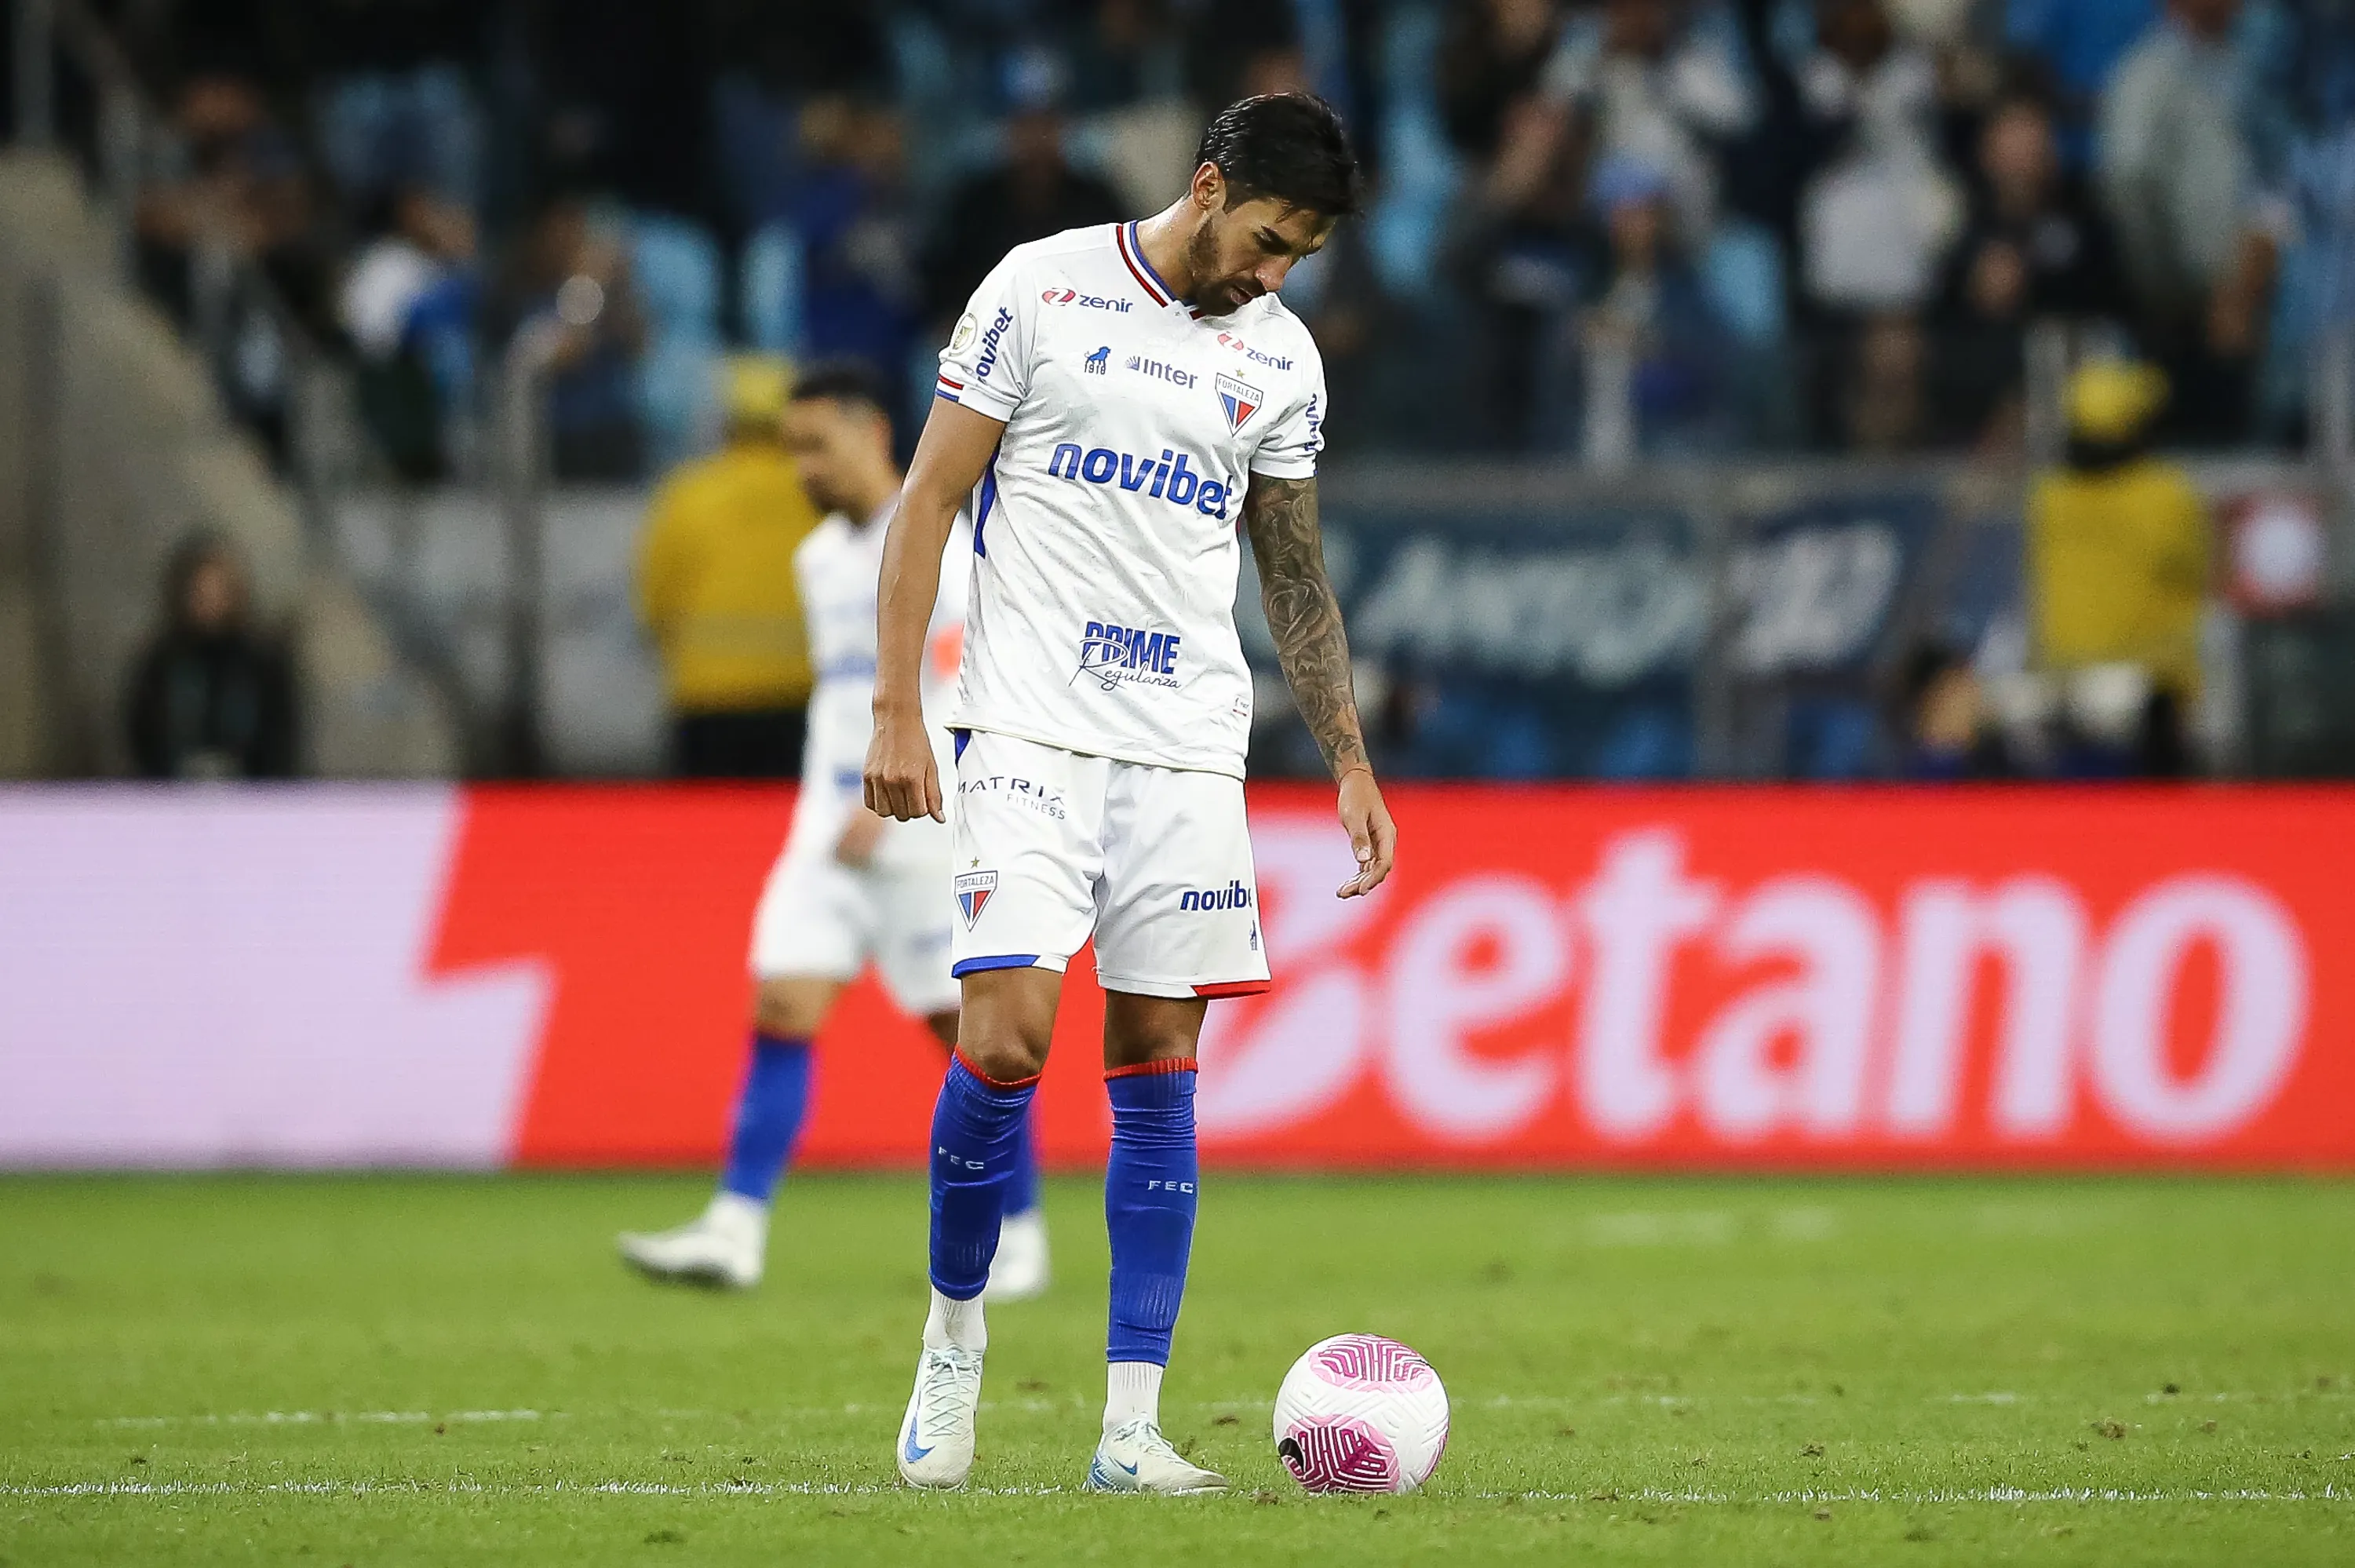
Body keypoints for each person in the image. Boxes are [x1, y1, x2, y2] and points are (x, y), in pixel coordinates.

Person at [866, 93, 1398, 1495]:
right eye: (1269, 241)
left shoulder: (1277, 360)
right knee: (1006, 1039)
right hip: (1029, 730)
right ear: (1210, 185)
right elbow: (924, 501)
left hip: (1184, 751)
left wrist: (1345, 752)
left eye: (1299, 258)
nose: (1272, 275)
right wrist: (898, 709)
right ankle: (954, 1339)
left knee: (1160, 1067)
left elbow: (1291, 570)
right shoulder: (1038, 289)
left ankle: (1126, 1428)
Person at [619, 361, 1048, 1297]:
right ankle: (735, 1227)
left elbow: (956, 683)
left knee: (972, 1039)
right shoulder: (817, 559)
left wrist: (880, 797)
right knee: (781, 1006)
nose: (803, 467)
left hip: (923, 830)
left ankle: (1018, 1232)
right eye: (791, 449)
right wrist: (839, 802)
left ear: (871, 433)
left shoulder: (940, 538)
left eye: (816, 444)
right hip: (826, 832)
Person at [635, 358, 822, 779]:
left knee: (707, 833)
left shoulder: (686, 495)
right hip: (797, 693)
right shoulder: (818, 496)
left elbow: (654, 597)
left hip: (707, 696)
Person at [2025, 359, 2210, 773]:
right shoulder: (2166, 495)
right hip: (2149, 689)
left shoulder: (2050, 497)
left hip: (2065, 681)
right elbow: (2204, 572)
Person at [125, 531, 299, 780]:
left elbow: (281, 740)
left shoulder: (263, 662)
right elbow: (143, 736)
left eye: (217, 591)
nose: (209, 602)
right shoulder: (162, 663)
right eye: (200, 593)